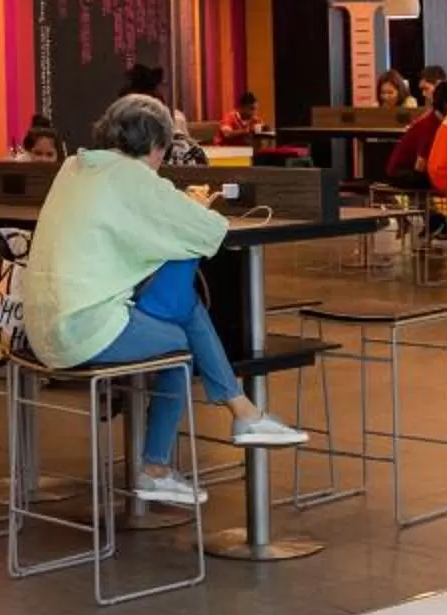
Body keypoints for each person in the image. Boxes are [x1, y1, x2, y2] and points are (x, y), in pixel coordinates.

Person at [23, 95, 306, 505]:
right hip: (82, 331)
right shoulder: (133, 179)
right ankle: (166, 461)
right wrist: (188, 206)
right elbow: (210, 230)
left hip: (39, 328)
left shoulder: (74, 167)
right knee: (181, 339)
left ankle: (243, 414)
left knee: (180, 302)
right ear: (156, 144)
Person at [384, 80, 447, 186]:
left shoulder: (436, 119)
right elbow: (420, 167)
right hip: (402, 173)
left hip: (410, 170)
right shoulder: (431, 126)